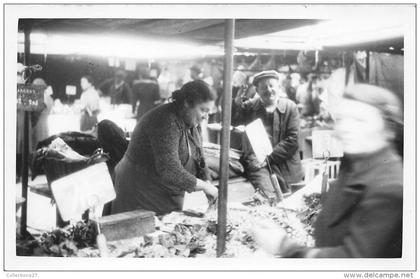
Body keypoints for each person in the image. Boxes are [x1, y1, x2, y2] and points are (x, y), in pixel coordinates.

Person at [253, 84, 403, 258]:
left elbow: (352, 262)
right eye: (342, 119)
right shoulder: (354, 167)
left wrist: (284, 246)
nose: (345, 128)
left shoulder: (389, 188)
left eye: (360, 121)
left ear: (388, 130)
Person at [111, 80, 219, 215]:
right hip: (139, 190)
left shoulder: (192, 121)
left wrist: (207, 180)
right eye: (203, 110)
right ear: (186, 103)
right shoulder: (165, 121)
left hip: (165, 190)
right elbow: (169, 169)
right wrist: (204, 186)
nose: (206, 117)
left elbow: (199, 156)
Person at [233, 70, 303, 198]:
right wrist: (236, 103)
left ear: (279, 88)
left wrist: (268, 158)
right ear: (258, 91)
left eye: (272, 85)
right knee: (269, 197)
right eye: (263, 87)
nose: (268, 90)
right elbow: (234, 121)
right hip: (260, 165)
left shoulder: (290, 107)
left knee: (293, 200)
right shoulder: (250, 107)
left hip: (286, 165)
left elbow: (292, 140)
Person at [31, 78, 54, 151]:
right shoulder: (49, 98)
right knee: (43, 146)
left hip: (37, 126)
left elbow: (34, 114)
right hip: (45, 125)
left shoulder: (38, 98)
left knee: (36, 147)